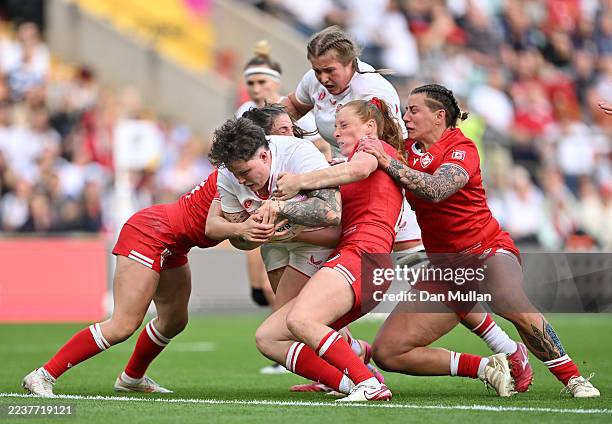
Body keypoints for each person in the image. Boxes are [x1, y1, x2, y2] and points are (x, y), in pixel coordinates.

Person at [282, 23, 531, 391]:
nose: (323, 78)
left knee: (432, 279)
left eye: (330, 71)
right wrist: (268, 126)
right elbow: (291, 107)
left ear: (352, 63)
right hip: (346, 181)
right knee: (329, 283)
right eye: (317, 70)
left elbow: (391, 143)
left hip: (382, 186)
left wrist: (321, 177)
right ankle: (344, 365)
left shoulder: (374, 90)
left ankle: (507, 349)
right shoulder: (314, 80)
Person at [357, 83, 600, 398]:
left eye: (414, 110)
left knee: (507, 299)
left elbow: (436, 189)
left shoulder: (462, 147)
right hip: (446, 268)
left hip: (488, 250)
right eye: (405, 110)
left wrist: (387, 161)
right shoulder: (403, 150)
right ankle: (489, 367)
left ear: (439, 115)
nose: (406, 117)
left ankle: (574, 379)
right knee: (388, 352)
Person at [21, 167, 278, 397]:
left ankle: (131, 378)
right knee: (123, 324)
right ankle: (43, 374)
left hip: (175, 244)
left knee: (175, 321)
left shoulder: (251, 173)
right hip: (150, 232)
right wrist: (251, 231)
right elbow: (219, 231)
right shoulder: (235, 174)